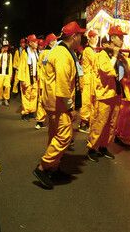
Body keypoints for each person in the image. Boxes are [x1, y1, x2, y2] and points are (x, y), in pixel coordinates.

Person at [33, 21, 85, 189]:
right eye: (81, 36)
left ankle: (53, 169)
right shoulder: (63, 54)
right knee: (64, 136)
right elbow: (63, 85)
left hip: (53, 101)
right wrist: (71, 108)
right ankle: (43, 167)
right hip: (59, 103)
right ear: (75, 36)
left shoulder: (59, 50)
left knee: (55, 135)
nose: (82, 39)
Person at [86, 26, 129, 162]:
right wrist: (115, 55)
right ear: (112, 38)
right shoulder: (102, 55)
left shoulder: (119, 55)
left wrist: (121, 58)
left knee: (111, 124)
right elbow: (107, 70)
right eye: (120, 37)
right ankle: (92, 147)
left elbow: (126, 72)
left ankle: (104, 146)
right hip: (104, 94)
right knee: (100, 122)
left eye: (122, 37)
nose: (122, 40)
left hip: (116, 94)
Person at [35, 35, 57, 130]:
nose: (56, 41)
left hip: (44, 81)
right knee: (49, 101)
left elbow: (40, 66)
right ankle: (49, 122)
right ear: (51, 42)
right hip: (50, 82)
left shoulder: (44, 53)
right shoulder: (51, 53)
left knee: (42, 101)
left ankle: (40, 121)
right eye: (55, 40)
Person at [78, 29, 99, 134]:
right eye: (94, 37)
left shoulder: (92, 50)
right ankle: (83, 123)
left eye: (97, 37)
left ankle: (87, 122)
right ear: (90, 38)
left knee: (91, 101)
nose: (96, 39)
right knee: (86, 101)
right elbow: (96, 62)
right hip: (87, 78)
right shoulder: (88, 50)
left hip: (91, 78)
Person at [18, 34, 39, 121]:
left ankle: (31, 111)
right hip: (26, 78)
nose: (36, 43)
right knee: (26, 95)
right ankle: (25, 113)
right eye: (35, 42)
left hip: (34, 78)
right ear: (30, 43)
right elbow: (21, 67)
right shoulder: (25, 53)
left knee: (34, 95)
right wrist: (22, 79)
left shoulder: (35, 52)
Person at [0, 40, 13, 106]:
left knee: (7, 87)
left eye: (7, 46)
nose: (6, 48)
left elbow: (10, 65)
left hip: (7, 74)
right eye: (4, 46)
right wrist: (1, 53)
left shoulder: (9, 55)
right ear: (2, 46)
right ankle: (0, 99)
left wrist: (11, 75)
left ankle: (6, 99)